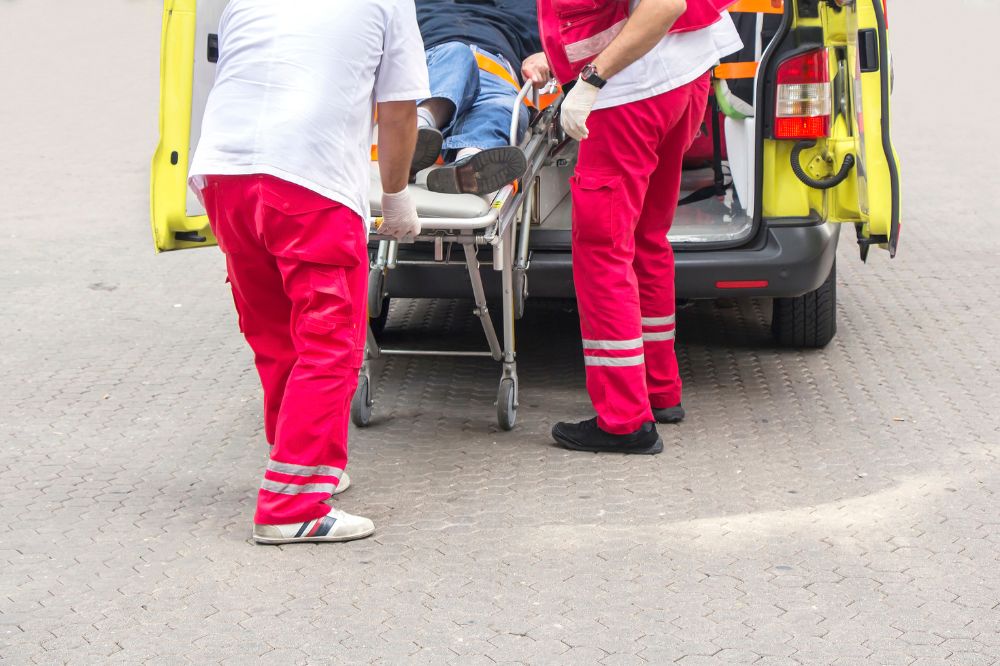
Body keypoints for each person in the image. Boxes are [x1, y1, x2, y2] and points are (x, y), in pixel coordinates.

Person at [188, 0, 430, 543]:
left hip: (225, 173)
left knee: (276, 336)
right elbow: (397, 110)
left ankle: (298, 460)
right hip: (307, 180)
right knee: (330, 343)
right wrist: (395, 196)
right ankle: (291, 505)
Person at [540, 0, 743, 454]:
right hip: (680, 75)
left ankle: (623, 420)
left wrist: (591, 80)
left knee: (603, 248)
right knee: (645, 239)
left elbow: (664, 4)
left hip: (630, 91)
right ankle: (658, 390)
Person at [412, 0, 551, 195]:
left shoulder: (530, 5)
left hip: (495, 72)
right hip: (441, 58)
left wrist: (546, 58)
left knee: (503, 108)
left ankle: (468, 164)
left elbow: (564, 43)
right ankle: (415, 131)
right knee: (459, 55)